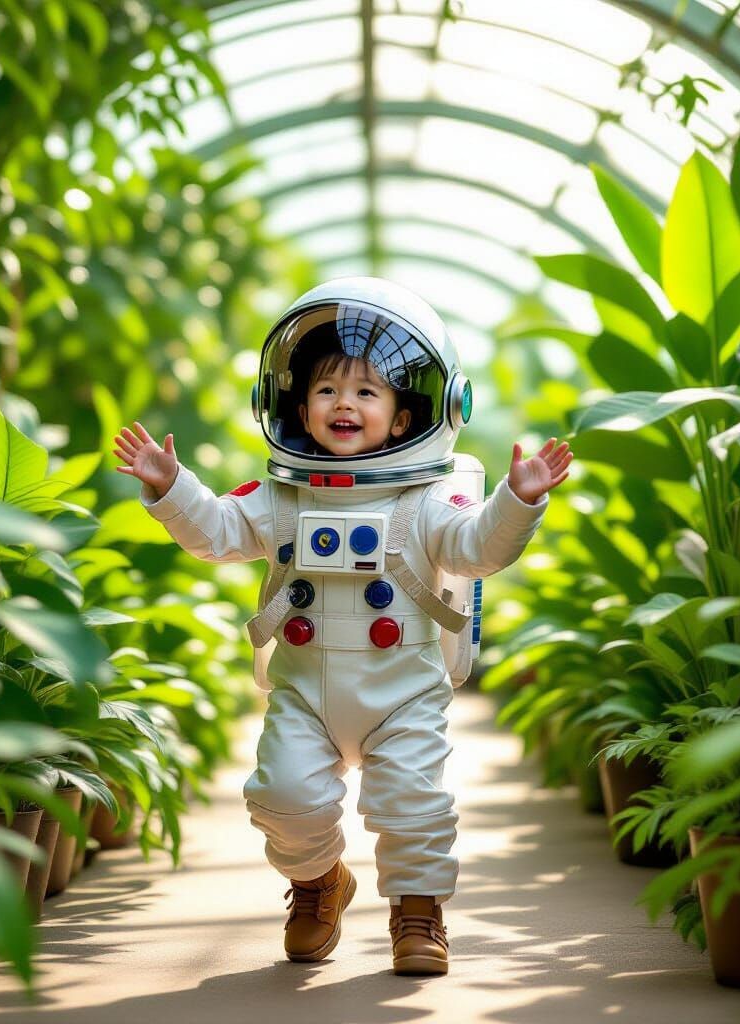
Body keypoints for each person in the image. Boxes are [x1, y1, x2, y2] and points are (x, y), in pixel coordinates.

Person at [114, 277, 572, 976]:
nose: (344, 403)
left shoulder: (427, 502)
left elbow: (478, 548)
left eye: (366, 391)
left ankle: (418, 911)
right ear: (296, 406)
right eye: (326, 390)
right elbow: (216, 533)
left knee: (414, 804)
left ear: (406, 415)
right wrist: (172, 488)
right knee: (281, 796)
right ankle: (317, 883)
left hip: (404, 692)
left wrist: (517, 501)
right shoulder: (278, 496)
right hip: (303, 693)